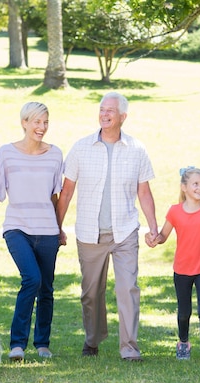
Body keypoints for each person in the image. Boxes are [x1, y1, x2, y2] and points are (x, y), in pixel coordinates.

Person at [56, 92, 158, 361]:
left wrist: (153, 228)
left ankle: (129, 347)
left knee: (128, 289)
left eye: (110, 110)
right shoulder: (81, 147)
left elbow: (144, 193)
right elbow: (66, 192)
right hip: (90, 233)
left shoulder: (137, 149)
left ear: (123, 117)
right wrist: (58, 226)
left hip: (125, 232)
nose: (104, 114)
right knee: (91, 293)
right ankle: (92, 339)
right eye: (102, 109)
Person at [0, 102, 63, 361]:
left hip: (47, 230)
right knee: (31, 279)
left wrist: (59, 228)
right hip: (17, 228)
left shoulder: (56, 154)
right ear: (24, 122)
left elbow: (56, 196)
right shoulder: (6, 153)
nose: (42, 127)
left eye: (45, 122)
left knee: (46, 287)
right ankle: (17, 344)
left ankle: (42, 343)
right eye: (36, 121)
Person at [146, 167, 200, 365]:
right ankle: (183, 342)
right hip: (182, 269)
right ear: (184, 187)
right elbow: (164, 235)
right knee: (184, 311)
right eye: (195, 184)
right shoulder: (174, 211)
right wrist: (155, 239)